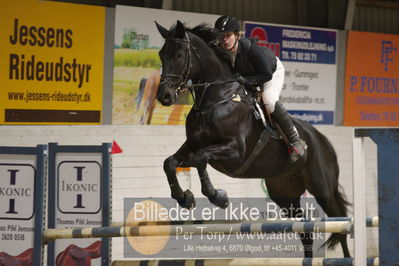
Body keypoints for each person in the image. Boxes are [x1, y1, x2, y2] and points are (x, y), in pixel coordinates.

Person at [214, 15, 307, 163]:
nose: (224, 40)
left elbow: (266, 74)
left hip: (272, 71)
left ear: (237, 35)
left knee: (269, 100)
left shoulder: (251, 50)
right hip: (251, 75)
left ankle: (295, 140)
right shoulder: (220, 51)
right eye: (221, 36)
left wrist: (246, 81)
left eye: (228, 35)